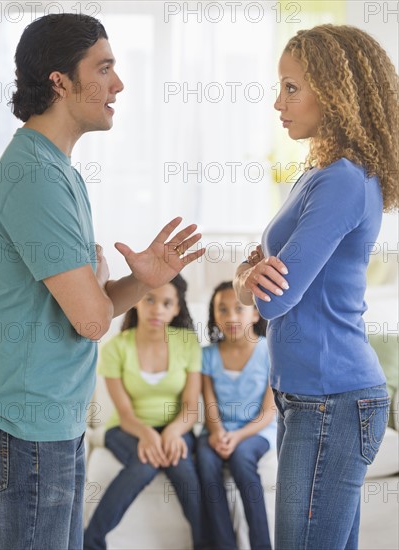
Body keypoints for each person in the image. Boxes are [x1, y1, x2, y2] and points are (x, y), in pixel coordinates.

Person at [0, 13, 204, 550]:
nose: (117, 84)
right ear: (59, 81)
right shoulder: (35, 177)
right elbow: (93, 318)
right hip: (30, 425)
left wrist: (141, 281)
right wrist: (100, 286)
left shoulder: (61, 171)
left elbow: (88, 309)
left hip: (53, 419)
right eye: (104, 68)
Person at [233, 24, 398, 550]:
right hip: (310, 397)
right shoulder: (318, 174)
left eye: (291, 87)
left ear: (334, 91)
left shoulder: (344, 179)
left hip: (333, 399)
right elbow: (261, 280)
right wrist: (246, 278)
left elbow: (274, 294)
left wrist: (246, 282)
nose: (277, 101)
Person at [83, 275, 205, 549]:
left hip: (177, 427)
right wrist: (147, 434)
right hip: (127, 429)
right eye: (149, 299)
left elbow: (191, 407)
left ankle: (205, 544)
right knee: (145, 464)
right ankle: (90, 542)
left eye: (166, 303)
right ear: (138, 301)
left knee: (183, 468)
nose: (157, 309)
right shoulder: (116, 347)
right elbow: (124, 412)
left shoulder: (187, 342)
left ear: (176, 308)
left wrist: (172, 432)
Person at [196, 282, 276, 550]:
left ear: (255, 314)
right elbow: (209, 404)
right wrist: (218, 433)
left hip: (256, 431)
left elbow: (268, 412)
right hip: (217, 430)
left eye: (239, 309)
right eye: (222, 309)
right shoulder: (207, 355)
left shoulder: (270, 352)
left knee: (242, 459)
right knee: (206, 461)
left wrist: (238, 435)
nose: (230, 317)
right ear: (214, 315)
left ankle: (261, 545)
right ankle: (224, 544)